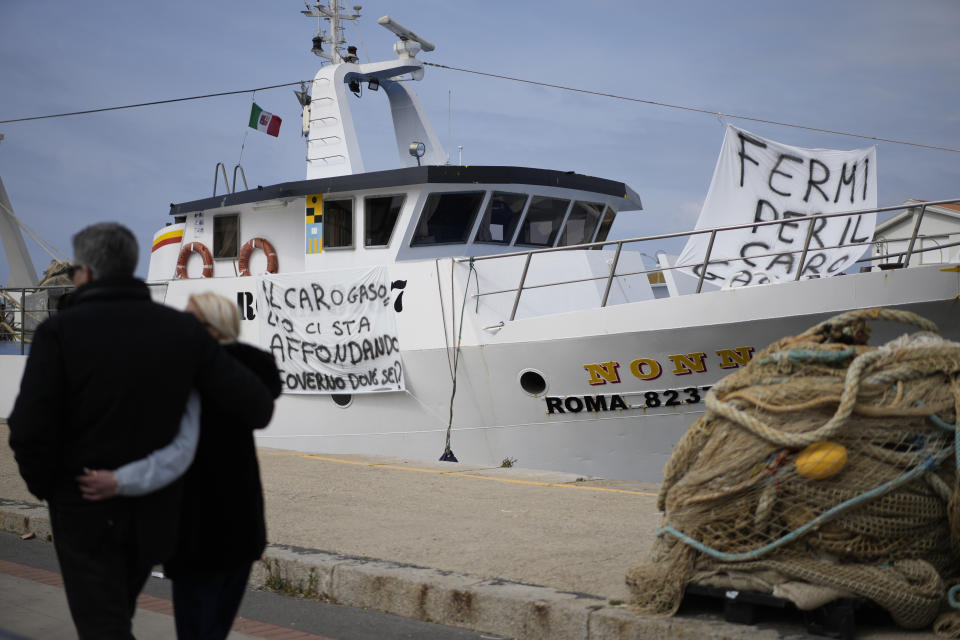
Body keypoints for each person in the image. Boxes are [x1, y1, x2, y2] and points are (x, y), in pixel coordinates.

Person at [8, 223, 276, 639]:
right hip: (157, 515)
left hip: (85, 512)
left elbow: (27, 429)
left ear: (85, 272)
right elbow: (256, 406)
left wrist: (55, 492)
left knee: (103, 625)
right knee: (117, 615)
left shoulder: (58, 334)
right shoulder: (181, 329)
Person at [78, 292, 281, 640]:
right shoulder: (247, 376)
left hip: (194, 529)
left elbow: (175, 451)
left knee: (197, 630)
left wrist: (119, 481)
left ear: (213, 330)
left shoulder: (186, 376)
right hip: (241, 527)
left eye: (189, 322)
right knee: (214, 629)